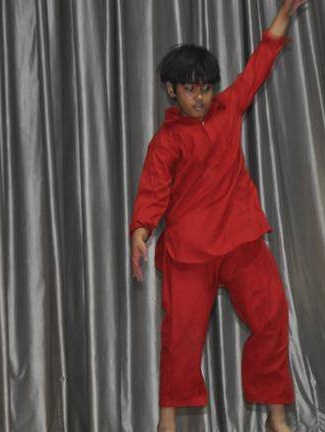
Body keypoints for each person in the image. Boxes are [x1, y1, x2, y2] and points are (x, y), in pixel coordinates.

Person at [129, 1, 307, 431]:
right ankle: (167, 423)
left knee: (272, 318)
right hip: (190, 252)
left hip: (242, 239)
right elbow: (153, 192)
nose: (201, 97)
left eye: (206, 88)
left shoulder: (228, 110)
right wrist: (140, 232)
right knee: (182, 338)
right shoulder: (166, 142)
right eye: (191, 89)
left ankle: (277, 419)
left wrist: (284, 15)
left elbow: (259, 64)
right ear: (171, 90)